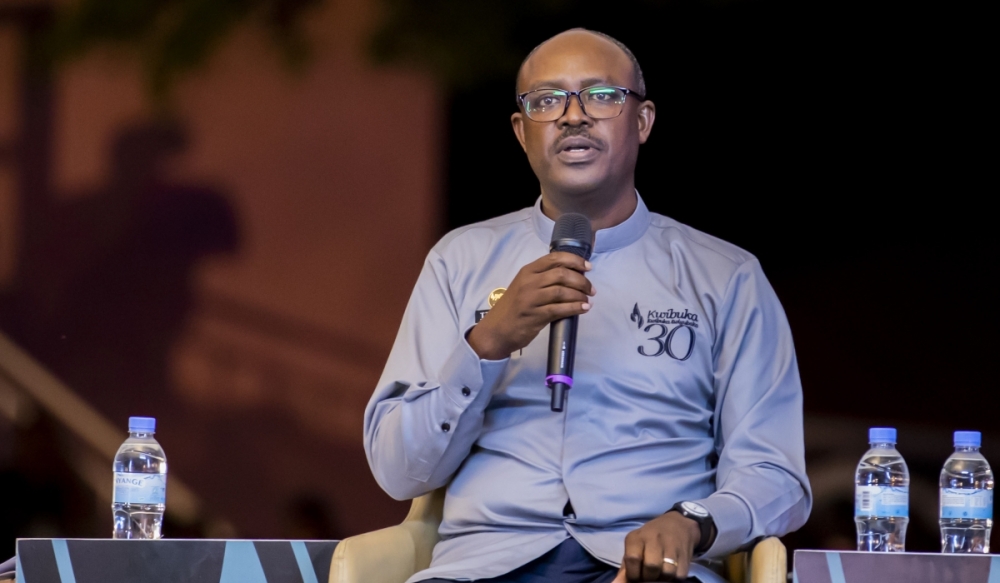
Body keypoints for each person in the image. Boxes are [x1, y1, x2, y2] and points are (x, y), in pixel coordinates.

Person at [364, 29, 811, 583]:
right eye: (547, 101)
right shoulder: (459, 261)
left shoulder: (726, 277)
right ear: (521, 132)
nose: (573, 116)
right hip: (483, 567)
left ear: (643, 122)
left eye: (600, 95)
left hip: (645, 569)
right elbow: (396, 471)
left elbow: (776, 476)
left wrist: (692, 521)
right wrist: (486, 345)